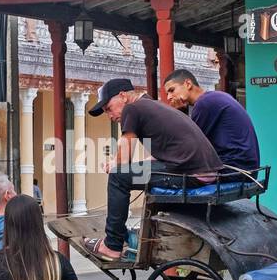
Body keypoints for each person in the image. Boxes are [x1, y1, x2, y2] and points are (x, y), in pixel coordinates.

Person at [85, 77, 222, 262]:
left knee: (118, 177)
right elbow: (162, 153)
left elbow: (124, 158)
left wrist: (112, 163)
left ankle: (112, 245)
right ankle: (134, 235)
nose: (109, 115)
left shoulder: (132, 109)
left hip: (190, 171)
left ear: (123, 96)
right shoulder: (151, 105)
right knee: (131, 173)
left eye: (108, 108)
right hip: (202, 169)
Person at [162, 69, 261, 174]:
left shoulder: (204, 103)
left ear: (188, 84)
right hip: (245, 167)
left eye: (172, 90)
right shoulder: (214, 97)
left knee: (160, 174)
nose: (169, 97)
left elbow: (188, 146)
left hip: (233, 169)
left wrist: (177, 111)